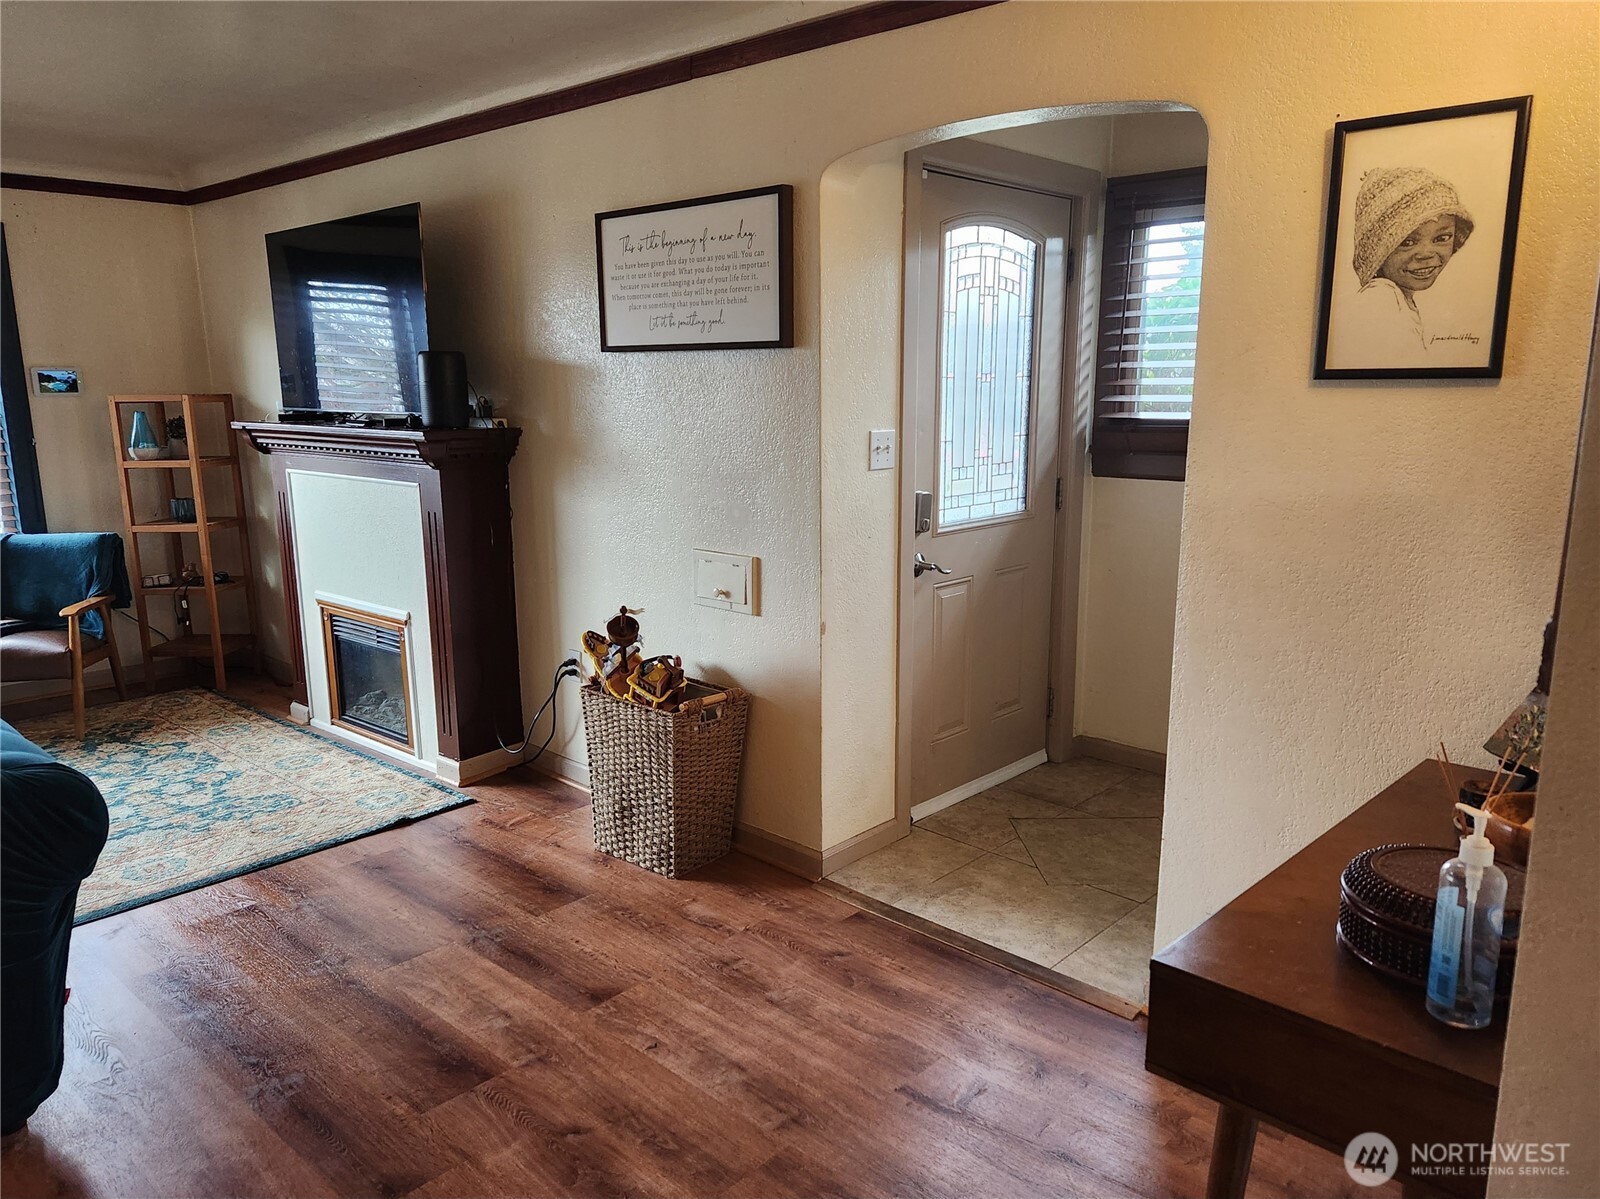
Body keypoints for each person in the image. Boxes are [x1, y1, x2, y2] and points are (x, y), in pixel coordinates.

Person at [1343, 167, 1475, 361]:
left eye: (1442, 237)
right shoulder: (1380, 299)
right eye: (1407, 242)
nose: (1426, 254)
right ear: (1377, 251)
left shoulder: (1397, 299)